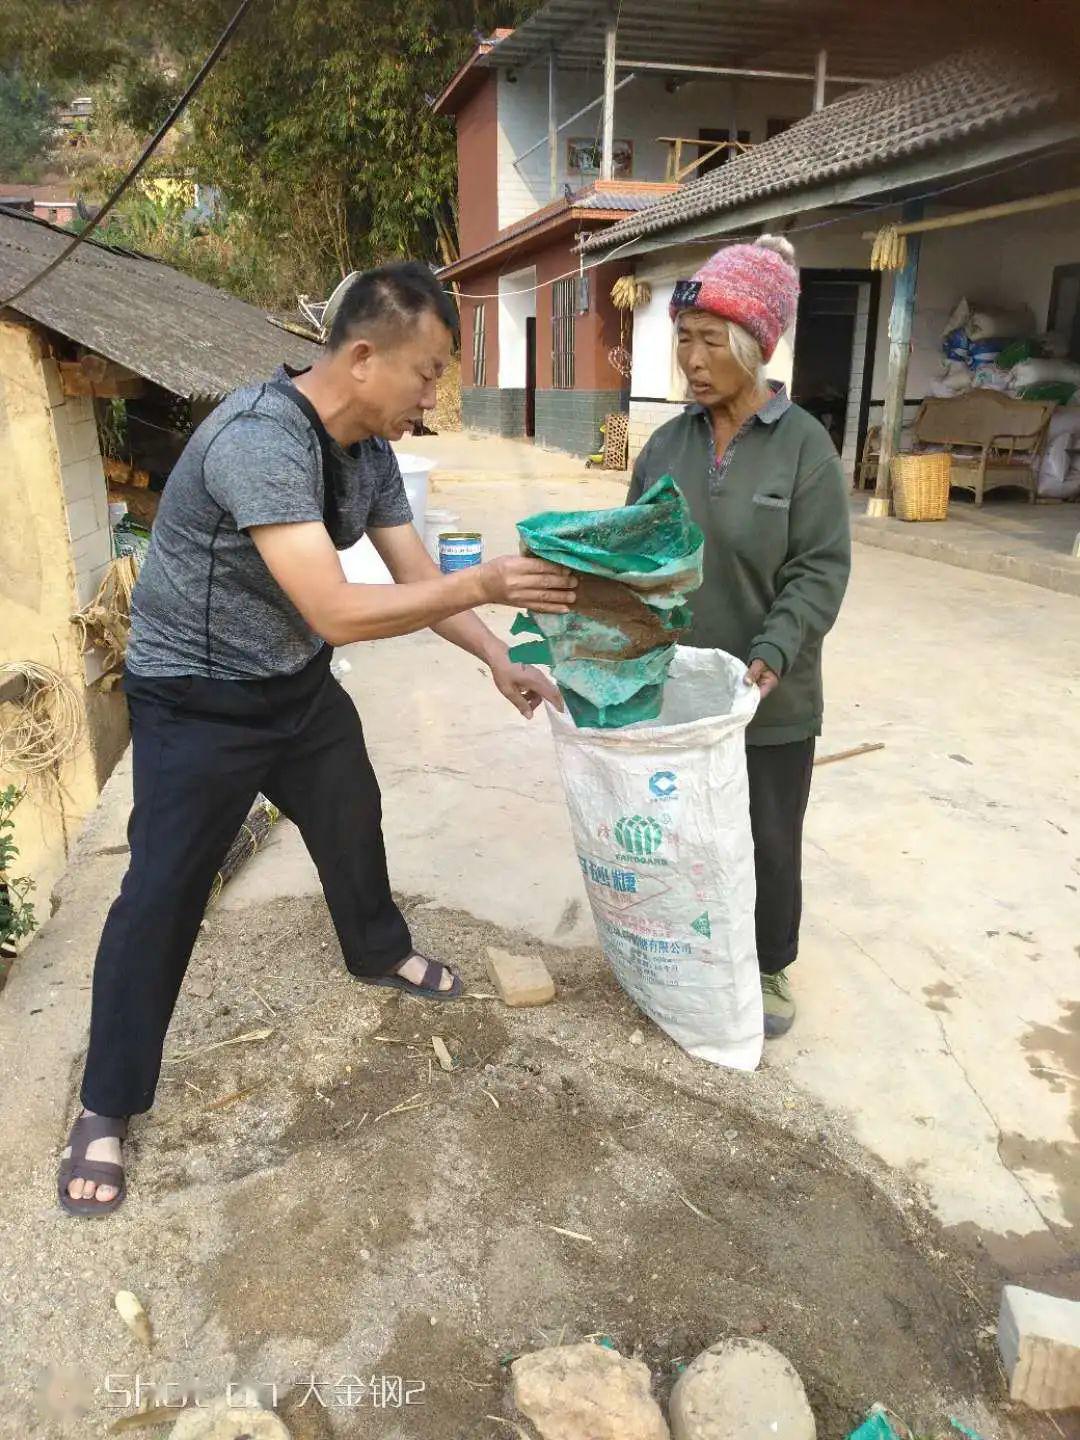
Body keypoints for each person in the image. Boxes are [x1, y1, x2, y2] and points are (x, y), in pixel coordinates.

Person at [58, 262, 577, 1216]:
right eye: (425, 375)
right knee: (163, 890)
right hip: (195, 696)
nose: (432, 397)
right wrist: (484, 583)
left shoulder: (370, 449)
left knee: (352, 814)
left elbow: (412, 575)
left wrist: (494, 655)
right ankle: (105, 1104)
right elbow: (339, 609)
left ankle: (375, 948)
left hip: (292, 683)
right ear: (364, 355)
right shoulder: (259, 439)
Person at [628, 235, 850, 1040]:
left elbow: (818, 570)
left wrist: (773, 652)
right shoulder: (665, 446)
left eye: (709, 340)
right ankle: (690, 950)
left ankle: (767, 961)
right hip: (674, 692)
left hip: (770, 696)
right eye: (682, 338)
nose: (690, 357)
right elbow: (632, 555)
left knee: (765, 835)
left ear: (755, 346)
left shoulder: (806, 450)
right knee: (681, 834)